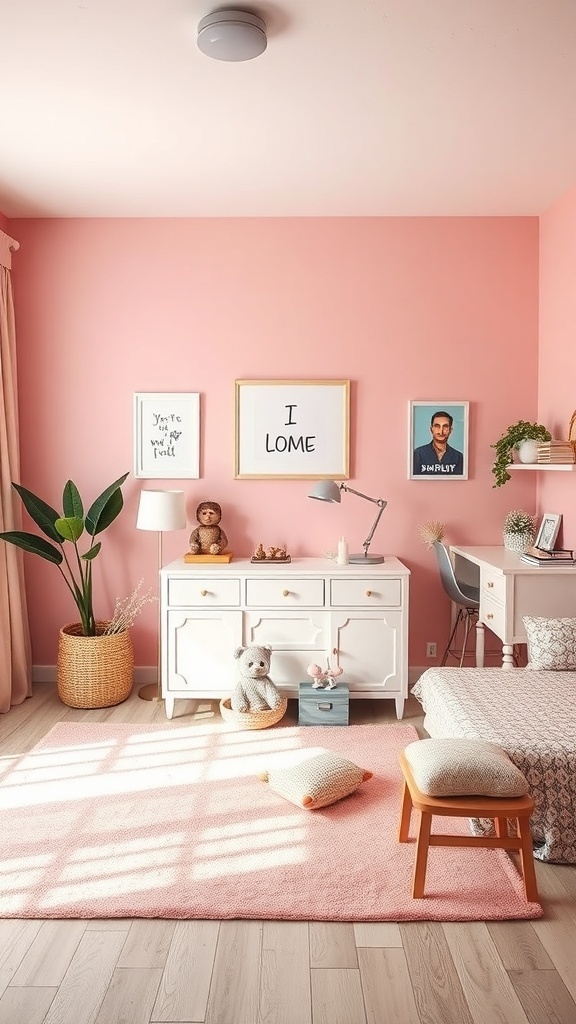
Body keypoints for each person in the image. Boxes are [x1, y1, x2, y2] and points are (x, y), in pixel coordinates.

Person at [413, 410, 464, 476]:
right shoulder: (418, 454)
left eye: (445, 426)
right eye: (437, 426)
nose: (441, 432)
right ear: (431, 429)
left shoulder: (458, 457)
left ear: (450, 430)